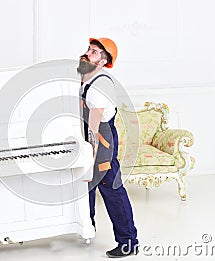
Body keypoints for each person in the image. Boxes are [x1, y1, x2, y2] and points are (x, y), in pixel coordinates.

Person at [77, 37, 139, 258]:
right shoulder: (86, 76)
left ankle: (128, 242)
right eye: (88, 49)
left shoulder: (99, 86)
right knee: (86, 185)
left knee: (111, 188)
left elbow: (94, 127)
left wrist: (90, 155)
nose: (87, 54)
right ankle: (88, 227)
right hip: (88, 136)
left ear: (104, 61)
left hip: (101, 140)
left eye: (93, 52)